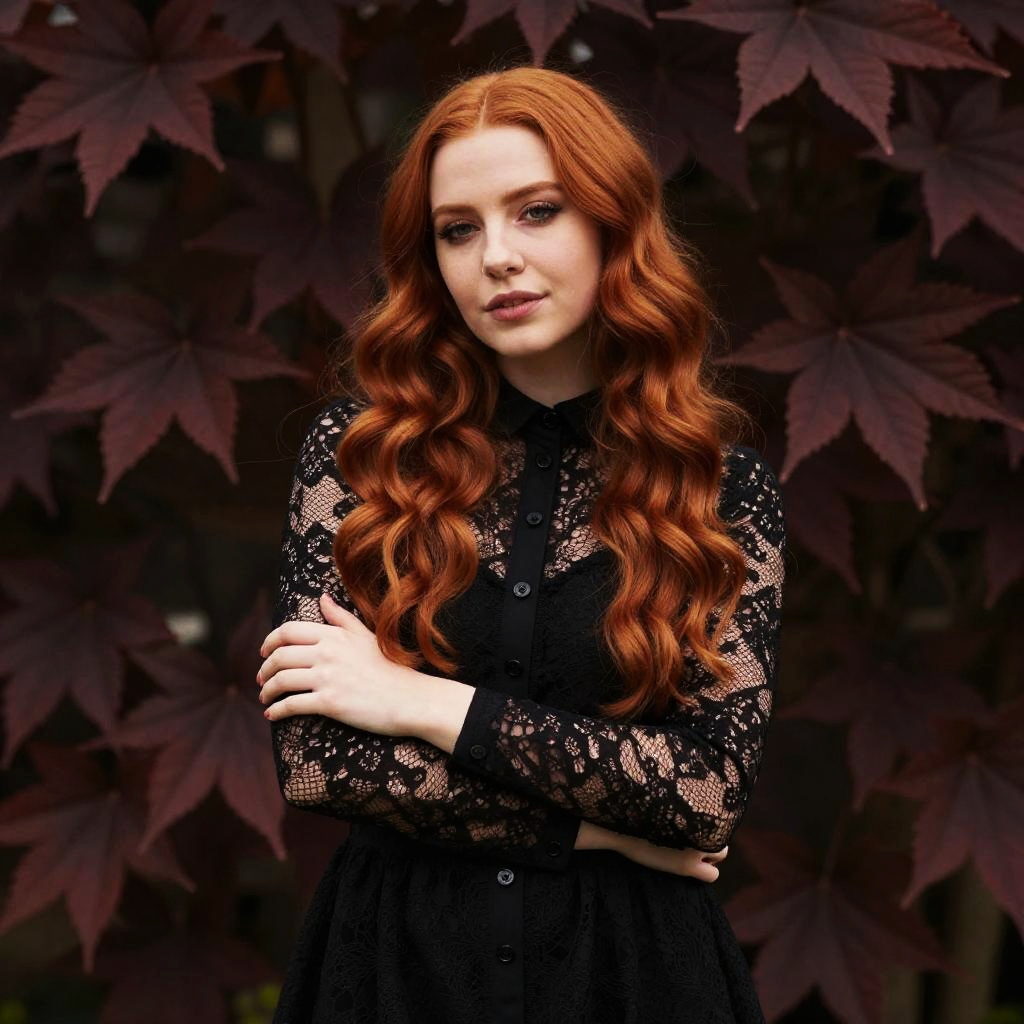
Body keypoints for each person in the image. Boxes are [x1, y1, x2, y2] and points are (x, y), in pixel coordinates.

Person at [257, 64, 785, 1024]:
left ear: (611, 224)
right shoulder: (359, 456)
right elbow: (324, 765)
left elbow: (706, 790)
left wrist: (421, 701)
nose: (495, 256)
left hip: (638, 984)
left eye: (536, 212)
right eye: (459, 229)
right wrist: (607, 834)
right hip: (391, 977)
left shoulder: (720, 490)